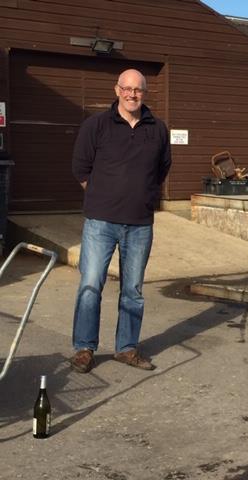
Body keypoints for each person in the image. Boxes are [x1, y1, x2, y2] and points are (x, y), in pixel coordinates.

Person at [69, 69, 172, 373]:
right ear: (116, 90)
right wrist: (104, 196)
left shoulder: (158, 129)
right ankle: (85, 348)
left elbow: (162, 168)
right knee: (90, 284)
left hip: (140, 223)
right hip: (100, 222)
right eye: (126, 89)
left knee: (133, 289)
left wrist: (143, 196)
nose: (131, 94)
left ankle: (126, 348)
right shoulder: (96, 125)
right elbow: (80, 168)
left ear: (145, 92)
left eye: (137, 90)